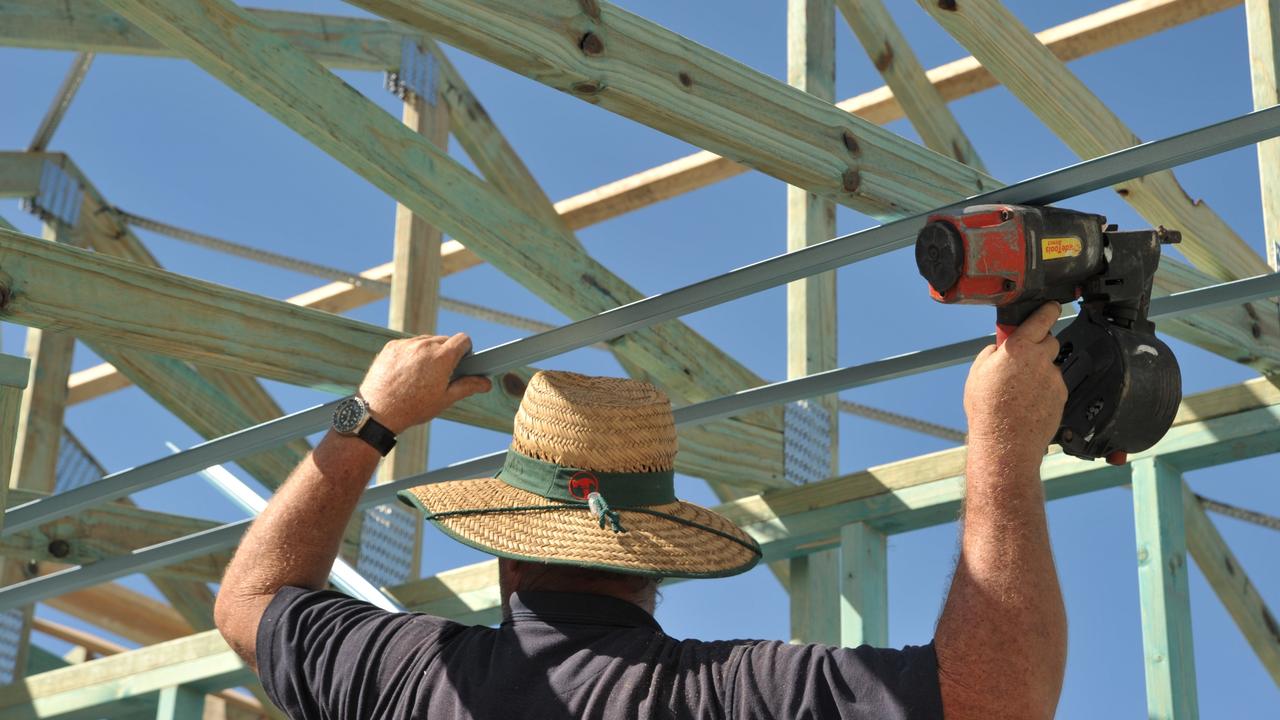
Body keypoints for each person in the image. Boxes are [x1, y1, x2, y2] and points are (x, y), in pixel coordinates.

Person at [213, 302, 1068, 720]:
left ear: (506, 547)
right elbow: (995, 698)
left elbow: (248, 599)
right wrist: (1002, 443)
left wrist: (367, 416)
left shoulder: (411, 677)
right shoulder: (722, 696)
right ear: (653, 561)